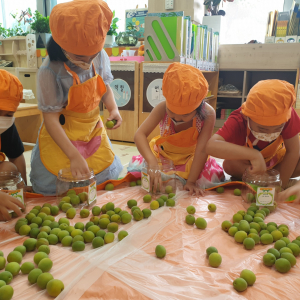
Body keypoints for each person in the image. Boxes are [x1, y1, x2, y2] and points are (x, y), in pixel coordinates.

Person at [30, 0, 123, 195]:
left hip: (91, 130)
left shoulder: (100, 56)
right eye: (80, 57)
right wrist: (73, 155)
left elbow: (104, 86)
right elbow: (51, 120)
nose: (88, 62)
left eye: (93, 55)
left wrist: (113, 108)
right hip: (61, 135)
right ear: (61, 45)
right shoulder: (49, 71)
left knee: (102, 181)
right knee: (61, 186)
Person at [134, 63, 224, 196]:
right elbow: (139, 135)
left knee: (206, 177)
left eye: (185, 115)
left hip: (191, 158)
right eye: (172, 111)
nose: (177, 118)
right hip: (164, 155)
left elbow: (202, 149)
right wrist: (152, 163)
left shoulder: (208, 114)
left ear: (198, 107)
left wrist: (192, 182)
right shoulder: (161, 108)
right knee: (150, 172)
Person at [206, 80, 300, 189]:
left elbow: (293, 151)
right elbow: (211, 146)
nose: (270, 134)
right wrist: (254, 155)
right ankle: (265, 178)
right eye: (262, 128)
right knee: (229, 165)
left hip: (278, 162)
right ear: (246, 117)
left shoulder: (286, 114)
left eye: (278, 128)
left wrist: (279, 185)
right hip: (249, 165)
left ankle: (269, 179)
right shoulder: (238, 119)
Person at [0, 70, 26, 220]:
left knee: (9, 169)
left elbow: (16, 156)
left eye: (8, 115)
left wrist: (23, 186)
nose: (2, 119)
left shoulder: (6, 127)